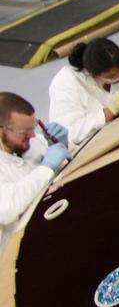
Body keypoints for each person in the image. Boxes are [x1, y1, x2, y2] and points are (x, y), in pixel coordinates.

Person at [0, 93, 71, 252]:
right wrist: (46, 167)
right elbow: (8, 208)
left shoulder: (31, 141)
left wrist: (61, 146)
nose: (32, 136)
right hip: (23, 248)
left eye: (33, 127)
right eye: (23, 132)